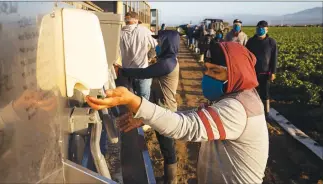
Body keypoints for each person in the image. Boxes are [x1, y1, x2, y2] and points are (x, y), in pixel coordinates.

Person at [86, 42, 269, 184]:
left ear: (237, 73)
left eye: (215, 71)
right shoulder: (239, 96)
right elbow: (194, 115)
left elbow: (185, 127)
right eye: (206, 69)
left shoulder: (237, 108)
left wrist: (133, 101)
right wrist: (144, 119)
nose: (207, 76)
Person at [115, 30, 180, 184]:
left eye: (160, 42)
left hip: (165, 110)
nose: (157, 45)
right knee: (165, 146)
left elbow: (144, 73)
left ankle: (171, 180)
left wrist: (122, 70)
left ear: (167, 43)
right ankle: (168, 178)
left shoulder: (167, 63)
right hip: (161, 107)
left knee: (167, 148)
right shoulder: (166, 60)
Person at [120, 12, 157, 100]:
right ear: (136, 20)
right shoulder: (143, 30)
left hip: (126, 71)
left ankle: (132, 113)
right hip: (142, 70)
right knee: (144, 100)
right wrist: (150, 56)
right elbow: (157, 45)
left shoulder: (120, 32)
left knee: (130, 100)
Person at [246, 20, 278, 117]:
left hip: (265, 73)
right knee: (252, 93)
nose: (260, 30)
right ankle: (252, 112)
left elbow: (274, 58)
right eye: (258, 28)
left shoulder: (271, 42)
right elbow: (246, 56)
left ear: (267, 30)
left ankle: (266, 113)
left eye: (262, 28)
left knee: (265, 93)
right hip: (252, 72)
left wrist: (273, 72)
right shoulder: (251, 41)